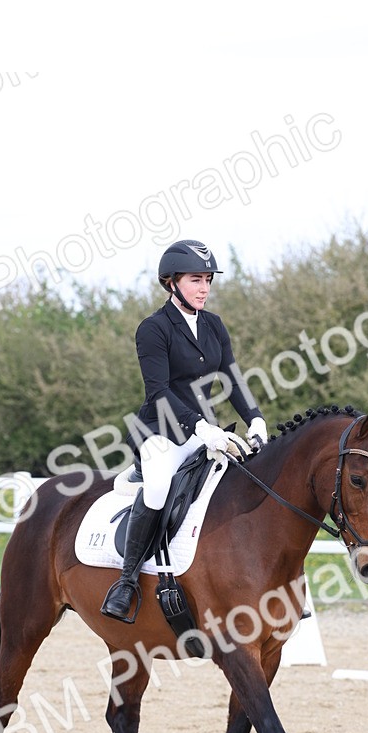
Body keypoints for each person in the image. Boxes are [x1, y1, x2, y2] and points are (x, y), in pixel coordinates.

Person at [100, 239, 268, 622]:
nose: (204, 288)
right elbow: (158, 392)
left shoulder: (213, 325)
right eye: (196, 279)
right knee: (159, 487)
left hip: (203, 430)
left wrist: (255, 418)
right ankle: (126, 582)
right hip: (161, 432)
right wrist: (203, 429)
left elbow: (231, 378)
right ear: (171, 282)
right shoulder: (153, 329)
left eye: (208, 280)